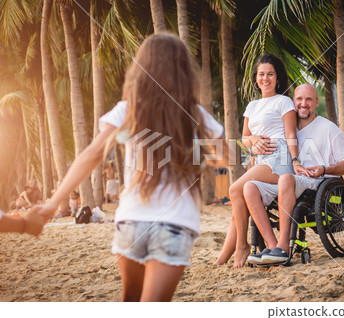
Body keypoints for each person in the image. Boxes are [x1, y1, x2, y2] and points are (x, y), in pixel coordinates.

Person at [30, 33, 230, 301]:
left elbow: (91, 155)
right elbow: (224, 158)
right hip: (175, 223)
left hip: (132, 221)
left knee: (130, 302)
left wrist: (54, 202)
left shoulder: (128, 110)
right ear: (184, 72)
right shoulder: (196, 115)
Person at [243, 84, 344, 265]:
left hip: (317, 182)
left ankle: (283, 246)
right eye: (299, 99)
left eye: (308, 99)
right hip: (289, 181)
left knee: (286, 179)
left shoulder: (329, 129)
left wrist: (324, 169)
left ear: (316, 102)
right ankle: (272, 247)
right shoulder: (288, 129)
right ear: (292, 102)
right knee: (249, 187)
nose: (303, 104)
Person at [215, 53, 301, 268]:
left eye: (270, 74)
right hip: (260, 160)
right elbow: (244, 138)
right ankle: (270, 247)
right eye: (261, 74)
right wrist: (252, 140)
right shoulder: (251, 106)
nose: (266, 78)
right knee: (239, 204)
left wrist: (296, 159)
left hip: (278, 157)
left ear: (277, 78)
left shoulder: (284, 101)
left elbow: (291, 134)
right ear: (256, 79)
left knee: (234, 190)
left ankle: (242, 246)